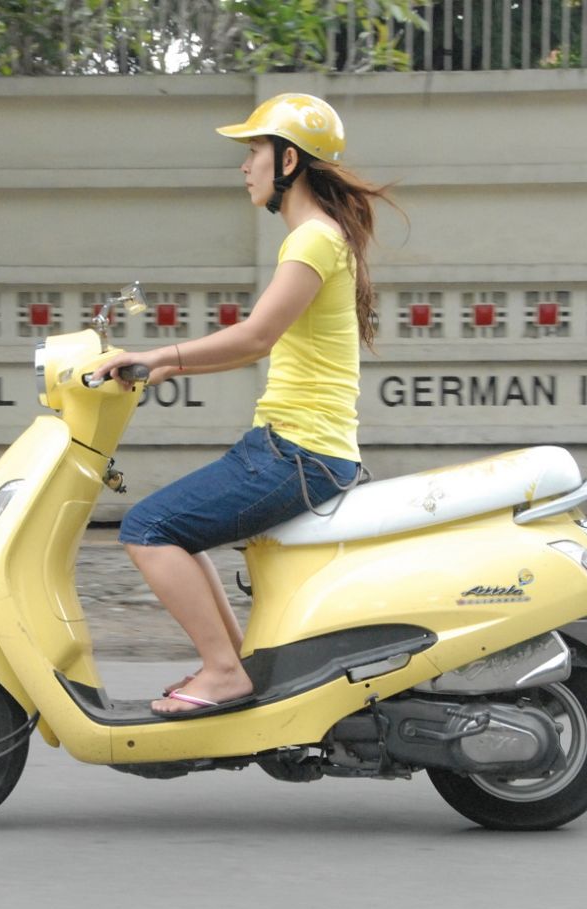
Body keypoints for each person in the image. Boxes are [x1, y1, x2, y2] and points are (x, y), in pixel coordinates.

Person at [92, 93, 396, 718]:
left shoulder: (312, 240)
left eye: (254, 150)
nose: (245, 165)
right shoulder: (321, 238)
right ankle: (234, 667)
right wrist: (160, 365)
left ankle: (226, 672)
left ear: (288, 159)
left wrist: (156, 360)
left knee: (148, 528)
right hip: (296, 447)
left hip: (297, 453)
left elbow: (256, 336)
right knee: (180, 527)